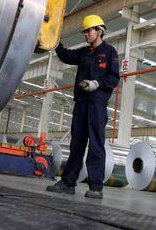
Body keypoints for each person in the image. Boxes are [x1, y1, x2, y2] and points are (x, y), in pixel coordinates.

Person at [46, 15, 120, 199]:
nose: (86, 34)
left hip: (97, 106)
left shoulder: (110, 52)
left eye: (89, 31)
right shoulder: (84, 53)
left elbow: (114, 78)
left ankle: (96, 186)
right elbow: (66, 56)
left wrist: (97, 84)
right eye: (85, 31)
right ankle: (68, 183)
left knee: (96, 145)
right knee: (76, 144)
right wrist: (56, 43)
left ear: (99, 31)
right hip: (81, 105)